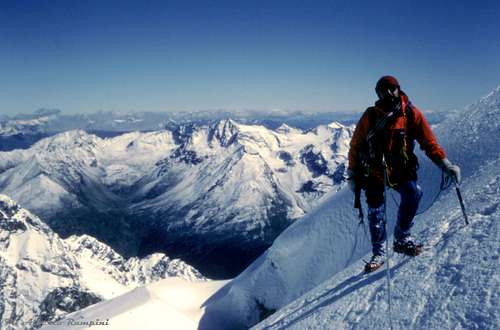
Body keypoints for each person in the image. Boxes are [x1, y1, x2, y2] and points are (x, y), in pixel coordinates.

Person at [347, 75, 460, 272]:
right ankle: (379, 251)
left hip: (400, 171)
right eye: (384, 90)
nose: (389, 92)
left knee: (413, 195)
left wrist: (445, 164)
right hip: (374, 172)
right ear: (379, 93)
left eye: (392, 88)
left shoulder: (410, 114)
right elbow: (356, 145)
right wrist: (352, 173)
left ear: (399, 89)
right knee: (376, 212)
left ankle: (401, 236)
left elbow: (428, 143)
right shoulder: (371, 115)